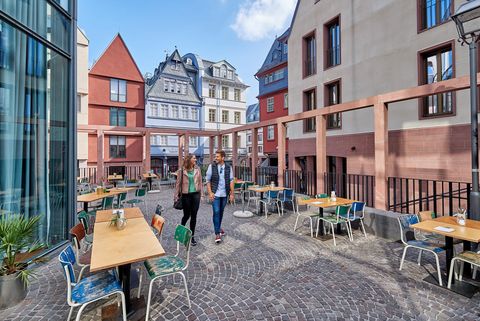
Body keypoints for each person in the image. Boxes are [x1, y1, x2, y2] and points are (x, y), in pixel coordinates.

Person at [206, 150, 234, 244]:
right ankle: (217, 233)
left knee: (221, 212)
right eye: (215, 156)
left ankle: (219, 227)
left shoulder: (228, 167)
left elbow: (231, 180)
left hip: (224, 194)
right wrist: (210, 193)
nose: (216, 158)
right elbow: (208, 180)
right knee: (216, 211)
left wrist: (232, 194)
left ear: (223, 158)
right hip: (215, 194)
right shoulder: (211, 166)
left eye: (217, 156)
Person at [175, 154, 202, 246]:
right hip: (186, 196)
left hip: (196, 195)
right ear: (189, 159)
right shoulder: (181, 171)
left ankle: (192, 236)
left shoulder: (197, 170)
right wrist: (176, 197)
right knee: (186, 215)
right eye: (194, 158)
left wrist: (201, 195)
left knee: (194, 216)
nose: (195, 159)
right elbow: (178, 185)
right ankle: (181, 231)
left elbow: (200, 183)